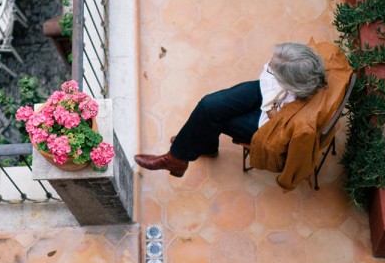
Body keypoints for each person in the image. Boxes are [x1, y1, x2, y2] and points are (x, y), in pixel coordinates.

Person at [135, 41, 350, 188]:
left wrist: (273, 111)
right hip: (272, 95)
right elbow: (272, 77)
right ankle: (187, 152)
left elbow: (283, 137)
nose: (268, 66)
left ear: (291, 83)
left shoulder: (301, 120)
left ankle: (180, 156)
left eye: (274, 69)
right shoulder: (308, 65)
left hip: (270, 122)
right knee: (209, 105)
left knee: (216, 119)